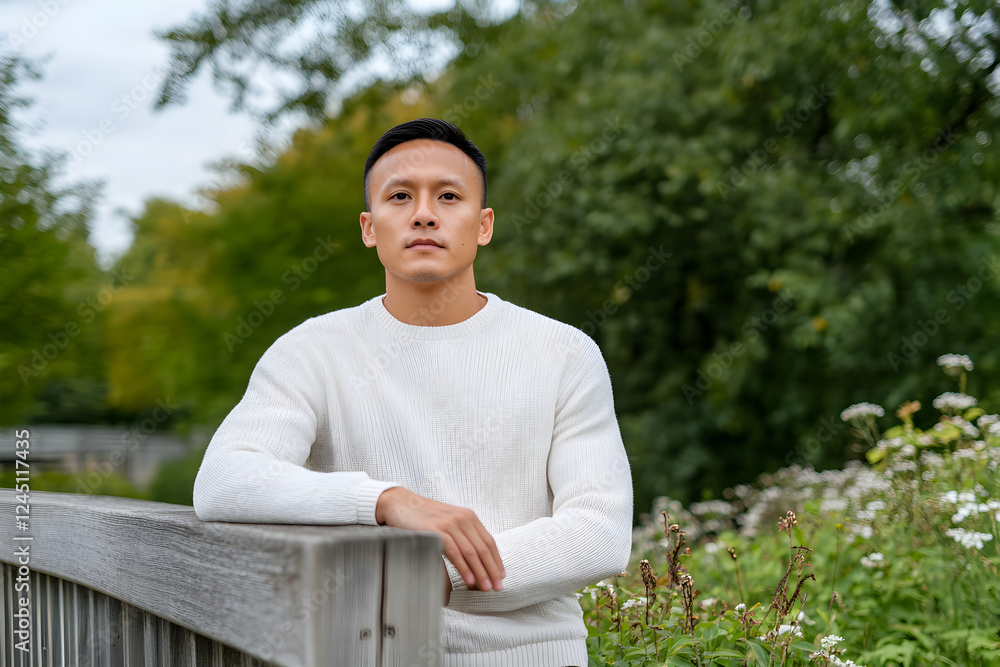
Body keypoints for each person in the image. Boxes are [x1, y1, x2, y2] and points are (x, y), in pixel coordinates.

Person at [193, 117, 634, 666]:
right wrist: (385, 502)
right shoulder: (312, 350)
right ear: (369, 226)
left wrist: (428, 573)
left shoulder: (564, 352)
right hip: (366, 655)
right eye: (399, 196)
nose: (424, 212)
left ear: (483, 224)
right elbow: (223, 479)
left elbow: (600, 531)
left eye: (449, 196)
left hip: (531, 653)